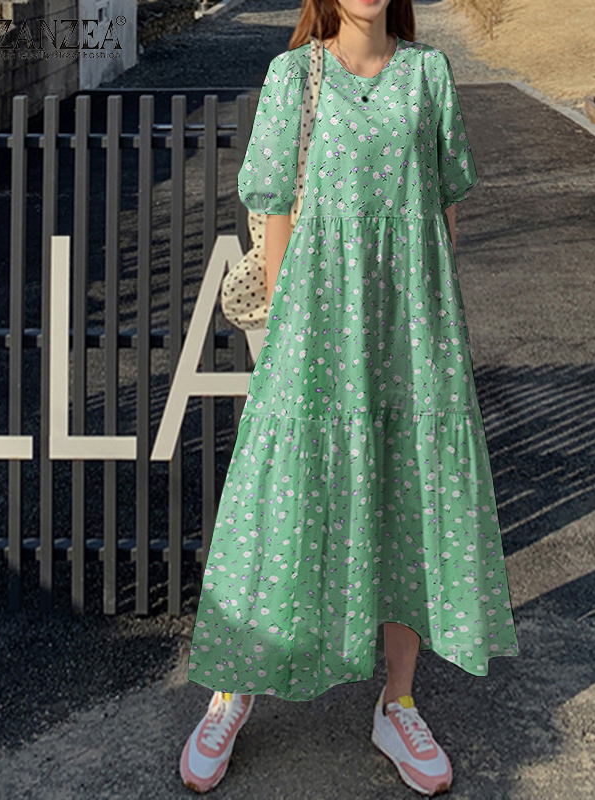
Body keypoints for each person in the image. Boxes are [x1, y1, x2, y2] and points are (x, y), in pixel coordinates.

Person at [180, 0, 519, 795]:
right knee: (277, 499)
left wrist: (436, 329)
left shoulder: (429, 74)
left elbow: (444, 211)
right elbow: (273, 212)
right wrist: (284, 331)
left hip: (412, 326)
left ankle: (398, 702)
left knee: (411, 494)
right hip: (314, 324)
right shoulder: (292, 76)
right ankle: (232, 690)